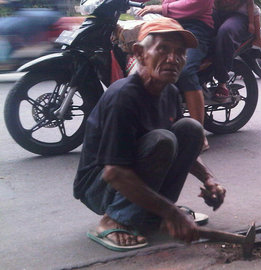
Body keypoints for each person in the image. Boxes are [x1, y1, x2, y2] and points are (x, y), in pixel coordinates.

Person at [73, 18, 226, 251]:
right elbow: (114, 172)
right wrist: (173, 213)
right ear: (140, 53)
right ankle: (113, 219)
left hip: (126, 175)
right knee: (162, 140)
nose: (173, 59)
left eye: (180, 53)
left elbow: (183, 147)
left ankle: (151, 215)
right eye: (163, 49)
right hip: (99, 186)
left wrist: (208, 178)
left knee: (191, 129)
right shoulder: (123, 96)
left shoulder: (171, 91)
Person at [136, 0, 214, 150]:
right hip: (168, 23)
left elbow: (199, 4)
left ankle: (198, 135)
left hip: (195, 26)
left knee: (184, 71)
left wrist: (160, 8)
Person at [212, 0, 261, 100]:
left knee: (225, 32)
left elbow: (254, 9)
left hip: (239, 17)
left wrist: (253, 27)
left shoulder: (247, 7)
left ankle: (222, 82)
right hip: (214, 12)